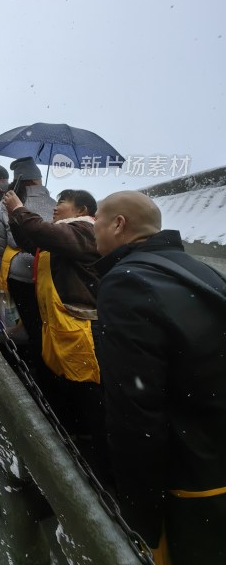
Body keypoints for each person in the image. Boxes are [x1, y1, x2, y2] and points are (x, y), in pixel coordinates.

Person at [93, 190, 226, 565]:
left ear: (119, 225)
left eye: (97, 222)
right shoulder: (198, 269)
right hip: (215, 451)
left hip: (186, 480)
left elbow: (134, 408)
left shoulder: (126, 282)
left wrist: (141, 513)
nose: (93, 233)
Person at [4, 187, 109, 484]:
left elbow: (47, 234)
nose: (56, 206)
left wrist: (18, 208)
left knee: (91, 395)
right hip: (60, 326)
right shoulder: (63, 233)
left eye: (62, 202)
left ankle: (101, 466)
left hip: (80, 329)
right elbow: (31, 240)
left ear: (81, 210)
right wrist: (16, 217)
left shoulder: (86, 231)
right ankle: (75, 439)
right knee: (67, 385)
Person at [0, 157, 55, 371]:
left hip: (18, 272)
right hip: (49, 272)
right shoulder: (55, 204)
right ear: (38, 180)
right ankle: (49, 362)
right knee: (47, 320)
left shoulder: (6, 203)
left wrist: (1, 270)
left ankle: (30, 363)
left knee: (27, 320)